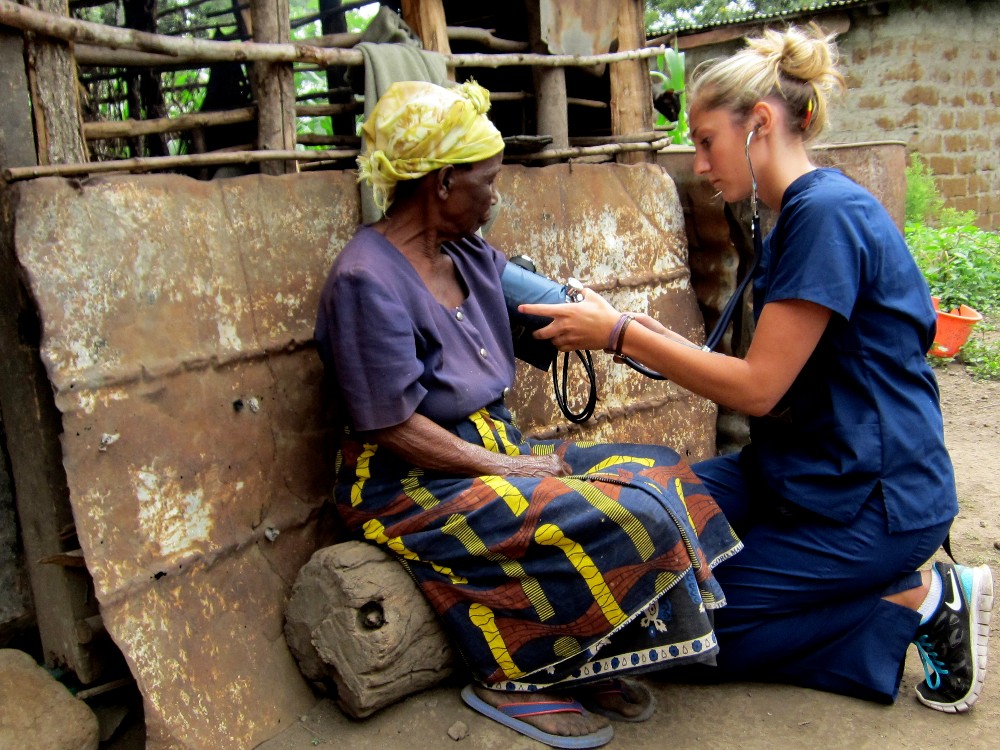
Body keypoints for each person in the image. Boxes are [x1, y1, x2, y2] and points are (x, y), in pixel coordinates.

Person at [521, 24, 993, 713]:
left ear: (760, 123)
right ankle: (832, 583)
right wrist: (634, 330)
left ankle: (921, 599)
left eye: (706, 141)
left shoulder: (824, 216)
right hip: (799, 471)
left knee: (682, 628)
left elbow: (760, 388)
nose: (700, 163)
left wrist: (619, 334)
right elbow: (775, 371)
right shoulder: (793, 215)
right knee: (637, 524)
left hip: (873, 499)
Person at [313, 80, 743, 748]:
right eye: (487, 181)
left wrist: (616, 326)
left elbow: (552, 305)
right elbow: (392, 426)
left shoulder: (465, 253)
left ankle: (589, 651)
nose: (496, 197)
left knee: (661, 473)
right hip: (407, 479)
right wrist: (508, 467)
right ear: (443, 183)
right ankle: (512, 674)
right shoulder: (366, 279)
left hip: (489, 450)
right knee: (627, 514)